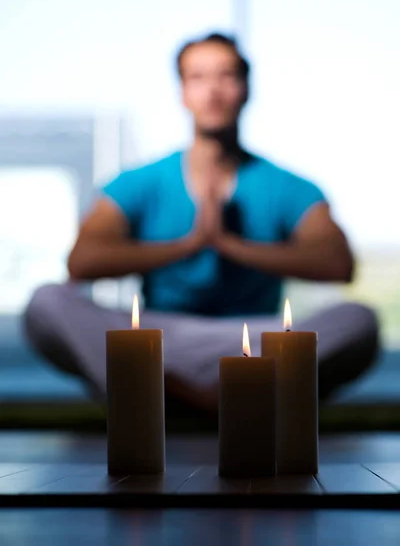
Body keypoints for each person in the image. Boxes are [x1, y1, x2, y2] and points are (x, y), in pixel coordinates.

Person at [23, 32, 379, 409]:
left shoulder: (288, 186)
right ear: (182, 92)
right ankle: (225, 395)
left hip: (254, 340)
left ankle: (173, 395)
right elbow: (82, 262)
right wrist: (189, 244)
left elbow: (338, 263)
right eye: (198, 77)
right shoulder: (139, 182)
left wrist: (230, 244)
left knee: (359, 321)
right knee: (46, 303)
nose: (213, 90)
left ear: (245, 89)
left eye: (226, 76)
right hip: (162, 340)